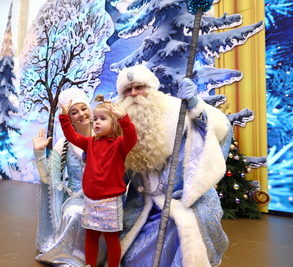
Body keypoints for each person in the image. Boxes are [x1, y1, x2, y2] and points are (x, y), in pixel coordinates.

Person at [115, 65, 231, 266]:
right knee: (128, 251)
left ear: (150, 88)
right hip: (141, 203)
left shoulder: (177, 110)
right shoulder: (118, 121)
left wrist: (195, 105)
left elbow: (217, 130)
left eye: (139, 87)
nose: (133, 94)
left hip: (183, 198)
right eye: (127, 90)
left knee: (182, 229)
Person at [59, 94, 137, 267]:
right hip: (91, 200)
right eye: (95, 119)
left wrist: (124, 118)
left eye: (102, 119)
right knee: (91, 235)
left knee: (111, 237)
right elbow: (71, 136)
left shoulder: (119, 144)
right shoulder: (90, 143)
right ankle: (90, 265)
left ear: (114, 122)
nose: (97, 123)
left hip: (110, 201)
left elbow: (132, 137)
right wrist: (64, 117)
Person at [33, 88, 102, 266]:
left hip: (102, 197)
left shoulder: (104, 137)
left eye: (83, 109)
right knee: (77, 214)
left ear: (90, 109)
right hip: (76, 198)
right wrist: (39, 153)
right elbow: (49, 178)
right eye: (74, 112)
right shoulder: (63, 144)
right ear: (69, 117)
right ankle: (74, 259)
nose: (81, 114)